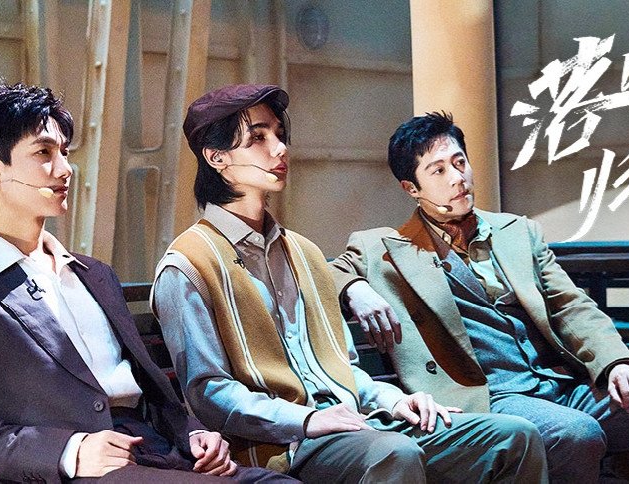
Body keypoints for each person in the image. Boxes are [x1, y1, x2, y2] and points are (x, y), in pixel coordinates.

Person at [152, 84, 548, 483]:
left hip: (359, 424)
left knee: (514, 436)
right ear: (216, 157)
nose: (280, 148)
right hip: (283, 446)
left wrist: (394, 399)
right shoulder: (188, 264)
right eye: (258, 138)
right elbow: (209, 391)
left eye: (279, 134)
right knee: (394, 453)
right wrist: (307, 419)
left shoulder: (304, 253)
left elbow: (345, 367)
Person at [329, 111, 629, 483]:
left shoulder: (517, 231)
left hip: (560, 382)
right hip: (490, 396)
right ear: (411, 189)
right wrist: (355, 288)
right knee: (575, 432)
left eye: (460, 162)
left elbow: (571, 305)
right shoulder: (383, 247)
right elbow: (321, 271)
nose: (457, 177)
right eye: (439, 170)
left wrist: (616, 362)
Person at [0, 82, 292, 483]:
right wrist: (69, 452)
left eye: (64, 153)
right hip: (80, 473)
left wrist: (195, 433)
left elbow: (151, 392)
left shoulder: (95, 275)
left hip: (161, 457)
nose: (64, 169)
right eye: (43, 153)